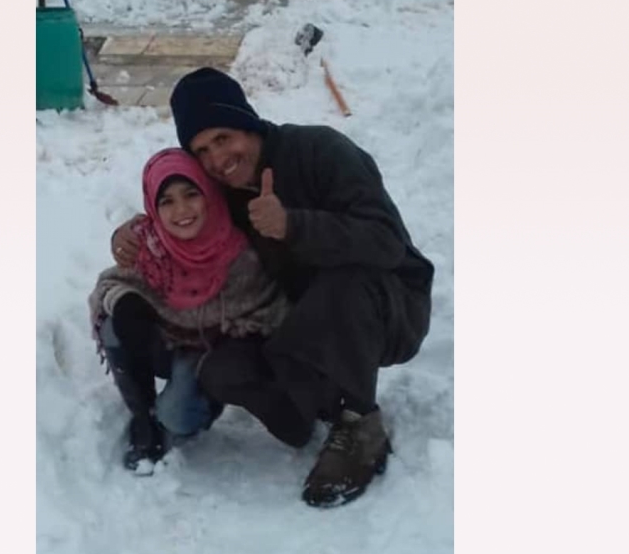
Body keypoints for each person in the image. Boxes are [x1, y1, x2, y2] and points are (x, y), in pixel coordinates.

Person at [110, 68, 435, 506]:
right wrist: (131, 236)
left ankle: (359, 423)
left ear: (248, 123)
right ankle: (305, 410)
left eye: (223, 138)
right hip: (297, 319)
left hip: (387, 305)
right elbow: (182, 218)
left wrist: (294, 225)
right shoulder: (224, 190)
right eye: (202, 150)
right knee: (223, 368)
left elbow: (387, 244)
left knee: (343, 283)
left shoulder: (321, 150)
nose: (216, 158)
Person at [88, 147, 290, 474]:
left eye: (190, 194)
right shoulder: (148, 243)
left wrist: (234, 346)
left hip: (209, 353)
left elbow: (271, 309)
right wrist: (126, 304)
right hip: (164, 340)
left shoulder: (238, 253)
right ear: (153, 206)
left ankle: (203, 403)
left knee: (178, 419)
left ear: (208, 194)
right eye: (166, 201)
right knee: (114, 325)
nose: (181, 210)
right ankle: (143, 417)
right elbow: (108, 285)